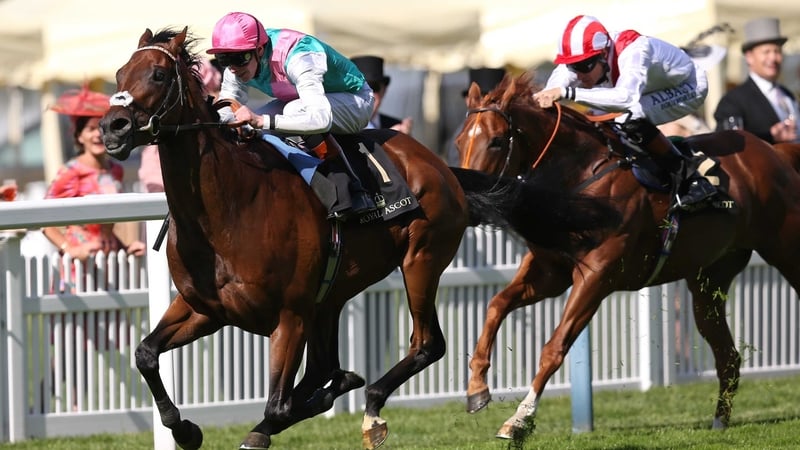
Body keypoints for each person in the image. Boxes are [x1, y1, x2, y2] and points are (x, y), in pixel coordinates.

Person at [533, 14, 717, 211]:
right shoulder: (586, 55)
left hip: (688, 87)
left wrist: (567, 92)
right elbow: (553, 90)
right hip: (645, 89)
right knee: (597, 116)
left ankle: (692, 179)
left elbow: (626, 99)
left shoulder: (635, 50)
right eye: (572, 66)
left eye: (584, 66)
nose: (578, 74)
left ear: (603, 54)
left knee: (629, 114)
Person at [207, 11, 377, 219]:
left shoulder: (300, 56)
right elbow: (227, 110)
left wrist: (262, 120)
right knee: (249, 125)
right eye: (224, 59)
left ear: (259, 50)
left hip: (355, 101)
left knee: (290, 112)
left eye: (238, 59)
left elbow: (320, 118)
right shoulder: (238, 65)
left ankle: (350, 187)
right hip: (302, 100)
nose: (232, 68)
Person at [42, 84, 146, 267]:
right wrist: (70, 249)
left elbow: (104, 226)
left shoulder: (115, 170)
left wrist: (125, 248)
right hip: (80, 264)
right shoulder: (71, 171)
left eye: (100, 129)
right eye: (90, 129)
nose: (97, 135)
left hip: (110, 261)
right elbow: (42, 220)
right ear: (79, 136)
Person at [138, 57, 223, 193]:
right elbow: (155, 187)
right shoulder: (161, 145)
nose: (218, 96)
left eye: (218, 90)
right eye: (212, 93)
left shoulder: (224, 129)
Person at [713, 17, 797, 144]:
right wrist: (770, 137)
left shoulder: (787, 94)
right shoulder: (733, 101)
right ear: (749, 57)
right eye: (766, 52)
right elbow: (727, 143)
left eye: (777, 51)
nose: (773, 57)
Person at [445, 67, 507, 165]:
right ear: (469, 100)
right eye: (481, 97)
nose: (489, 104)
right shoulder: (461, 136)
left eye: (495, 100)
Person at [351, 55, 413, 134]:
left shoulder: (398, 126)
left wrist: (404, 142)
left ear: (384, 90)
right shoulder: (337, 127)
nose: (367, 94)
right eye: (359, 88)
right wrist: (391, 140)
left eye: (373, 87)